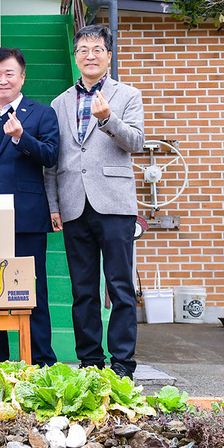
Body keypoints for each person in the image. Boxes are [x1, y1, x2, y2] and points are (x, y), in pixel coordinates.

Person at [44, 24, 145, 379]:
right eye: (83, 50)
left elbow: (136, 142)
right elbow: (53, 161)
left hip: (115, 204)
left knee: (120, 286)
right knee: (82, 289)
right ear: (75, 57)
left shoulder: (128, 95)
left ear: (109, 56)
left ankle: (122, 365)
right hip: (73, 205)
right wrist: (53, 204)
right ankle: (90, 361)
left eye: (97, 49)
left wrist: (108, 119)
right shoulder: (59, 103)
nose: (90, 56)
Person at [0, 47, 59, 367]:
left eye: (9, 73)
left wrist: (21, 138)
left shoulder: (42, 113)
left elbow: (50, 155)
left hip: (26, 218)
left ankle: (40, 361)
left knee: (32, 292)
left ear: (22, 77)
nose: (2, 80)